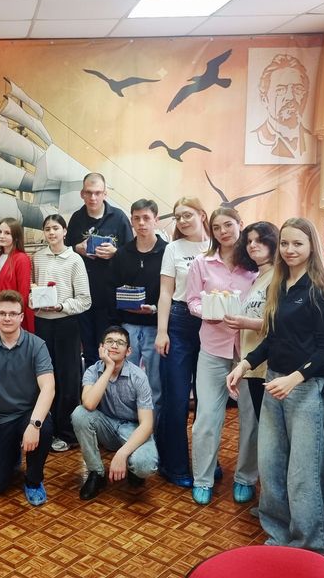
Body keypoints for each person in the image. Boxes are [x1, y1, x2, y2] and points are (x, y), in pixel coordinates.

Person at [226, 218, 324, 555]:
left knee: (304, 473)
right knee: (271, 465)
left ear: (311, 247)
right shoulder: (278, 286)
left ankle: (309, 546)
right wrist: (244, 364)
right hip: (273, 382)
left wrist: (296, 378)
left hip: (305, 389)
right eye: (285, 243)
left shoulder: (320, 291)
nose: (290, 250)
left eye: (298, 244)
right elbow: (272, 339)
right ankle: (277, 534)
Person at [186, 207, 257, 505]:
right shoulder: (201, 263)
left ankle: (245, 477)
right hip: (213, 348)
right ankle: (202, 479)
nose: (223, 231)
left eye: (228, 225)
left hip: (249, 353)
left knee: (250, 418)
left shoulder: (255, 264)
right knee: (206, 417)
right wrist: (207, 311)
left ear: (240, 224)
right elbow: (192, 300)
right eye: (216, 227)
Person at [0, 290, 55, 506]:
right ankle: (12, 453)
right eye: (2, 313)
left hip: (27, 414)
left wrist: (34, 425)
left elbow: (48, 387)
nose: (7, 318)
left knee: (44, 427)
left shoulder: (37, 345)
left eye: (12, 314)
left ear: (21, 317)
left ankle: (33, 481)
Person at [154, 197, 211, 487]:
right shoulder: (173, 248)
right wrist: (162, 331)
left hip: (211, 324)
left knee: (207, 401)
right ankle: (173, 465)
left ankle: (205, 462)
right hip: (179, 322)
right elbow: (166, 292)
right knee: (176, 398)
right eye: (178, 217)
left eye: (188, 215)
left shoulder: (216, 245)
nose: (183, 221)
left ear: (202, 214)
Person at [221, 221, 279, 505]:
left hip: (267, 366)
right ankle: (260, 489)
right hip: (250, 365)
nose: (253, 245)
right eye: (249, 241)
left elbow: (279, 323)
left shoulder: (278, 276)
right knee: (254, 426)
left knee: (269, 433)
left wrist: (245, 322)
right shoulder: (258, 276)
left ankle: (269, 496)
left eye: (260, 240)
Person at [70, 325, 158, 500]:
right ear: (101, 347)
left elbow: (147, 425)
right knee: (79, 414)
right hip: (106, 425)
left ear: (128, 351)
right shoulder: (92, 371)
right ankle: (96, 473)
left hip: (132, 429)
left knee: (144, 465)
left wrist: (122, 454)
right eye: (109, 341)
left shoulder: (139, 377)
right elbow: (89, 404)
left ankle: (132, 467)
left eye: (120, 343)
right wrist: (109, 367)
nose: (114, 346)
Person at [31, 213, 91, 452]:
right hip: (42, 325)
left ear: (65, 231)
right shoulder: (37, 257)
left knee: (68, 378)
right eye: (47, 229)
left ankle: (66, 432)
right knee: (45, 376)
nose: (51, 232)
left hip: (67, 324)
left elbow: (85, 300)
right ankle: (46, 428)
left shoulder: (75, 259)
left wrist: (61, 306)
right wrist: (33, 299)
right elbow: (31, 289)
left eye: (56, 228)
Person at [66, 172, 133, 369]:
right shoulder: (76, 218)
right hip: (83, 296)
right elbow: (65, 251)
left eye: (97, 193)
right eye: (89, 193)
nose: (93, 197)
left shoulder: (119, 217)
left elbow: (131, 254)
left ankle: (111, 387)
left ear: (105, 194)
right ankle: (90, 387)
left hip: (110, 298)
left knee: (111, 350)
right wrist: (76, 248)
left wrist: (115, 253)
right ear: (82, 194)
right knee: (88, 350)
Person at [110, 198, 167, 415]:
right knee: (126, 381)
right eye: (136, 218)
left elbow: (171, 291)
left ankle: (153, 428)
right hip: (128, 327)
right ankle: (129, 425)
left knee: (156, 384)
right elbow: (112, 288)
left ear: (156, 220)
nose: (141, 223)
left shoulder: (167, 252)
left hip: (156, 328)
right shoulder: (122, 253)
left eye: (146, 218)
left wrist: (155, 310)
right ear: (131, 221)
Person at [250, 53, 314, 161]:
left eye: (298, 89)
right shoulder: (253, 140)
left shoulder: (313, 140)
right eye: (280, 90)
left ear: (306, 96)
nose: (290, 97)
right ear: (264, 99)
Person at [0, 218, 34, 333]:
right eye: (0, 232)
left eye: (7, 233)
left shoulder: (21, 259)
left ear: (15, 237)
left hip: (12, 316)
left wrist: (15, 316)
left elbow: (23, 294)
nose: (2, 236)